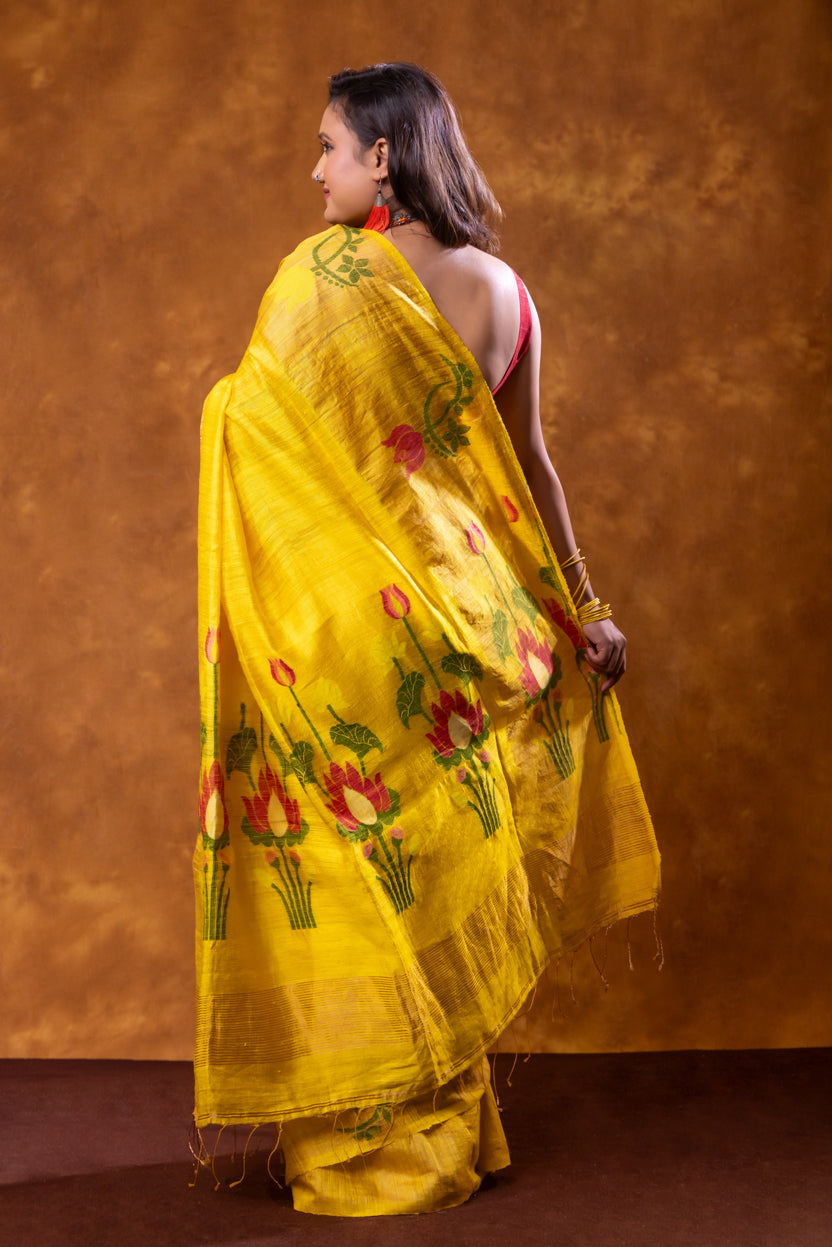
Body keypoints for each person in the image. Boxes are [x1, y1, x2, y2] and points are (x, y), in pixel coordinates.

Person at [195, 62, 660, 1217]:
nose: (315, 171)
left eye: (329, 148)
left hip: (348, 639)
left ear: (383, 156)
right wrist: (585, 608)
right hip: (470, 634)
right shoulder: (505, 292)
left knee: (370, 887)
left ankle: (372, 1141)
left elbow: (254, 432)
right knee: (438, 881)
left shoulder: (317, 280)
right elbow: (531, 467)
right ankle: (443, 1125)